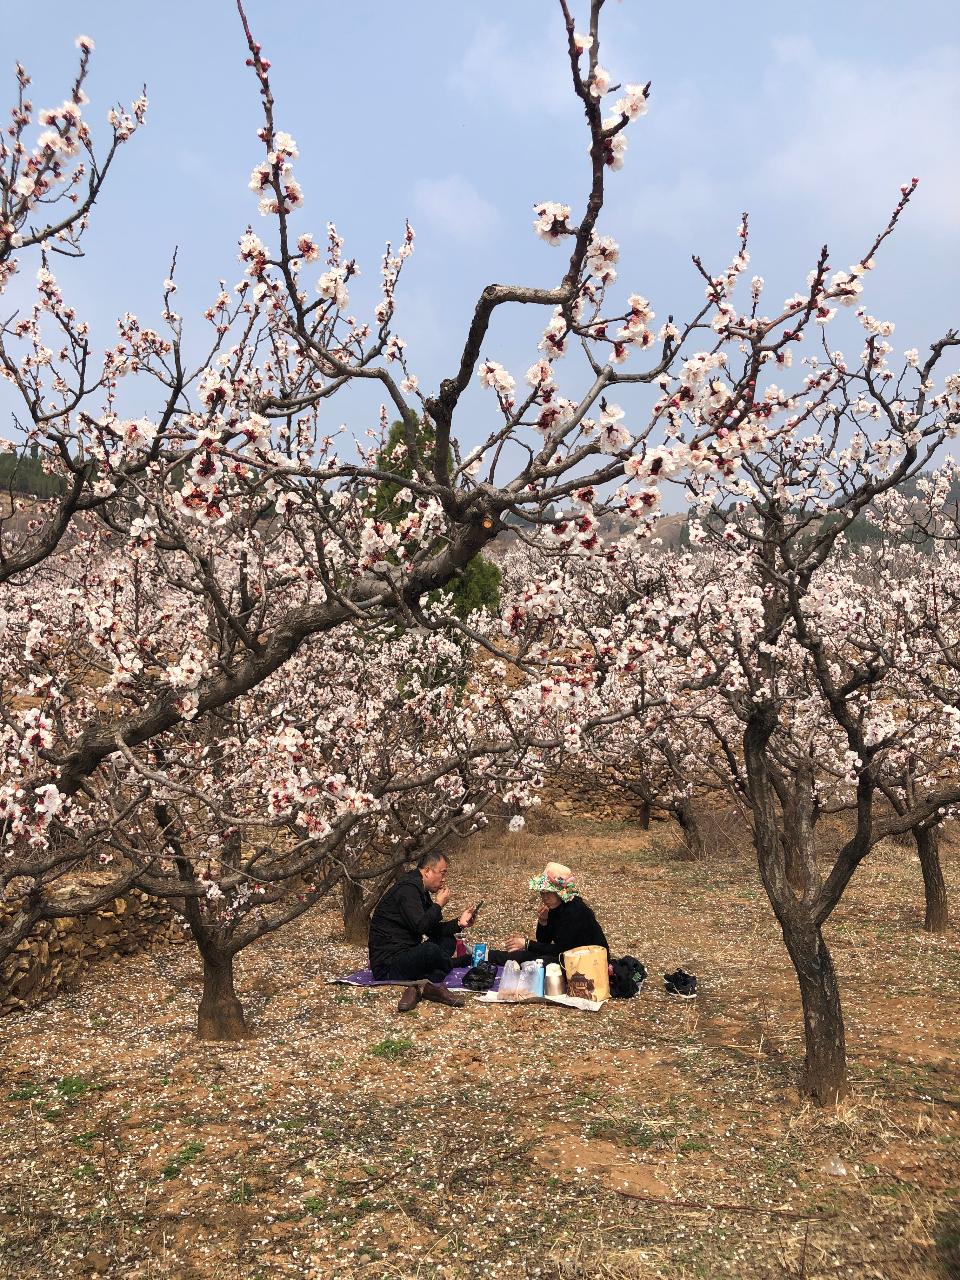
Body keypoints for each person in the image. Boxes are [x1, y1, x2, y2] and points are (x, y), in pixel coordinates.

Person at [368, 849, 476, 1011]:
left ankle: (421, 986)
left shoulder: (420, 889)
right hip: (388, 965)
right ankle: (434, 978)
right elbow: (421, 927)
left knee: (447, 940)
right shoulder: (408, 890)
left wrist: (459, 923)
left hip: (407, 953)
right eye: (442, 873)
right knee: (430, 950)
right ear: (427, 871)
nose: (444, 879)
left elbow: (432, 930)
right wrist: (438, 904)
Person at [489, 861, 608, 966]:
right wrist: (543, 922)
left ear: (559, 893)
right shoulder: (554, 907)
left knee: (536, 961)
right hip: (568, 956)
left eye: (549, 893)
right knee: (522, 956)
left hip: (589, 960)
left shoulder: (575, 910)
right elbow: (543, 941)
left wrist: (526, 944)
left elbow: (562, 949)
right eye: (542, 893)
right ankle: (485, 956)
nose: (544, 897)